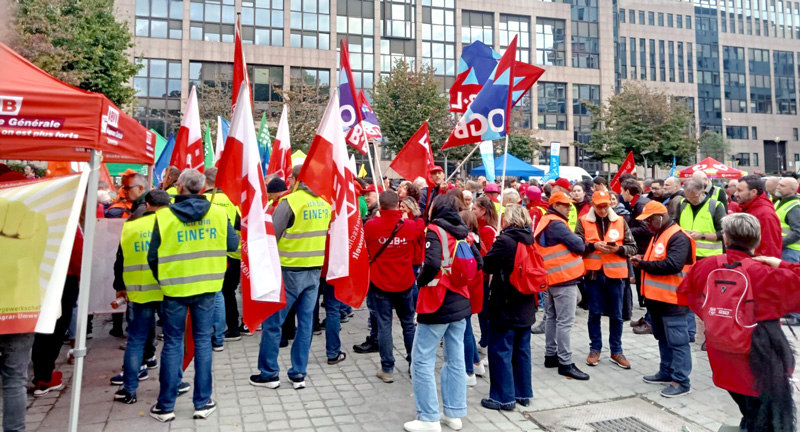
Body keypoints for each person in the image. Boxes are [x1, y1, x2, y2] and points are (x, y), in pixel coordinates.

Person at [678, 213, 800, 431]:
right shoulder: (765, 273)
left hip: (721, 355)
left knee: (747, 407)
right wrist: (781, 263)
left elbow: (686, 296)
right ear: (757, 241)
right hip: (760, 359)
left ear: (725, 239)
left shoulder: (704, 266)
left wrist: (718, 317)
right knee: (763, 416)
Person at [147, 169, 239, 422]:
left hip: (175, 289)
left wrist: (164, 278)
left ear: (180, 187)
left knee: (173, 343)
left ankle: (166, 406)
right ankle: (202, 402)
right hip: (208, 287)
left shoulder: (163, 217)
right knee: (202, 342)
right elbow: (232, 245)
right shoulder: (219, 213)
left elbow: (152, 256)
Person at [405, 194, 482, 432]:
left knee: (421, 360)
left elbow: (430, 263)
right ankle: (454, 414)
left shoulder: (434, 230)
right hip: (461, 301)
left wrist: (420, 281)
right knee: (455, 358)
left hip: (436, 301)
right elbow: (479, 262)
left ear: (435, 209)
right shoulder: (464, 231)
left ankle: (428, 417)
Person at [250, 166, 331, 391]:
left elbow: (270, 235)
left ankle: (269, 374)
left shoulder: (290, 202)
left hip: (287, 271)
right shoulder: (324, 204)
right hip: (313, 272)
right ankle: (298, 374)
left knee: (273, 323)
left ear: (296, 180)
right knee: (305, 325)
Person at [112, 190, 188, 404]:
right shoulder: (174, 224)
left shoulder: (130, 227)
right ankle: (175, 383)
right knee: (173, 340)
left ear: (146, 204)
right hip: (168, 290)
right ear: (169, 203)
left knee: (135, 340)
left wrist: (119, 286)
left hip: (139, 290)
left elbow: (120, 259)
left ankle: (129, 390)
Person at [631, 201, 695, 398]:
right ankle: (666, 372)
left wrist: (643, 264)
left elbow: (672, 265)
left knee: (678, 342)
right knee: (663, 339)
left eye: (650, 221)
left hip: (673, 301)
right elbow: (658, 261)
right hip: (657, 300)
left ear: (660, 217)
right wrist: (644, 260)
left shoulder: (678, 237)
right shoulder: (658, 234)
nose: (647, 225)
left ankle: (681, 381)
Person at [365, 190, 424, 383]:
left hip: (380, 283)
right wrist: (406, 216)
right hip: (405, 282)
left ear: (380, 206)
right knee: (408, 324)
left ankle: (387, 368)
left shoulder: (371, 225)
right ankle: (413, 364)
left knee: (384, 325)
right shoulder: (408, 225)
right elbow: (422, 223)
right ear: (398, 205)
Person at [481, 204, 536, 411]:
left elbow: (488, 265)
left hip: (505, 301)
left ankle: (503, 398)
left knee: (501, 350)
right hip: (526, 302)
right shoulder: (530, 238)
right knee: (522, 350)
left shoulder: (505, 240)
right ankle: (523, 393)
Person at [576, 191, 636, 369]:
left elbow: (633, 247)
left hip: (616, 275)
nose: (603, 210)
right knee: (594, 313)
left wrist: (618, 250)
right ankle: (595, 348)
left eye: (606, 206)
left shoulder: (620, 220)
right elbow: (577, 245)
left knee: (616, 315)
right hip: (594, 274)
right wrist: (593, 246)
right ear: (593, 205)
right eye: (600, 206)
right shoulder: (583, 221)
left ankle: (616, 350)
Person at [535, 191, 589, 380]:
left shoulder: (546, 221)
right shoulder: (557, 223)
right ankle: (565, 362)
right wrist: (582, 241)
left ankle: (551, 356)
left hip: (552, 279)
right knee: (564, 322)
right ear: (556, 206)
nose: (569, 208)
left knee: (551, 317)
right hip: (563, 278)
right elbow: (579, 245)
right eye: (566, 205)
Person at [30, 228, 83, 397]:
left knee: (43, 326)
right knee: (57, 327)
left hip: (40, 275)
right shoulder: (67, 220)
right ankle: (45, 376)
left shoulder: (36, 217)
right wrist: (80, 275)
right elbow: (77, 251)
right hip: (64, 277)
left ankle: (42, 375)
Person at [675, 178, 725, 343]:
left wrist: (701, 236)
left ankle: (710, 334)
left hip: (710, 259)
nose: (691, 200)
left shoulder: (716, 206)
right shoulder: (682, 204)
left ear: (703, 192)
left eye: (694, 198)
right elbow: (675, 226)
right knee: (689, 295)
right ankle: (690, 333)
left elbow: (723, 234)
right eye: (688, 197)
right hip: (688, 257)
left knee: (708, 298)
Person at [202, 167, 243, 345]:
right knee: (228, 293)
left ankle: (213, 329)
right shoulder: (234, 200)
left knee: (213, 293)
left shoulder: (203, 200)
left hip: (210, 254)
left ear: (205, 181)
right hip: (234, 253)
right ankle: (232, 327)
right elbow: (241, 225)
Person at [459, 209, 485, 387]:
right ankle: (476, 364)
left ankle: (469, 371)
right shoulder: (475, 239)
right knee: (466, 328)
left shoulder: (466, 241)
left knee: (466, 330)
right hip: (475, 288)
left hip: (467, 288)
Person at [621, 178, 652, 313]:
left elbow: (646, 229)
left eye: (622, 191)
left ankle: (643, 302)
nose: (621, 194)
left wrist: (626, 231)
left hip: (644, 246)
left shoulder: (640, 205)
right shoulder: (638, 203)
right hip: (643, 246)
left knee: (641, 275)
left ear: (628, 191)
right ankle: (642, 301)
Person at [473, 196, 499, 347]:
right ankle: (486, 340)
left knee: (485, 313)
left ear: (483, 211)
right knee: (482, 312)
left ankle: (487, 342)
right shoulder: (482, 228)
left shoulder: (486, 230)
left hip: (485, 279)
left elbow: (487, 256)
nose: (472, 211)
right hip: (483, 277)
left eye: (475, 208)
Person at [736, 174, 782, 258]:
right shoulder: (747, 207)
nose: (736, 194)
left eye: (740, 190)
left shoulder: (765, 214)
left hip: (757, 266)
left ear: (753, 192)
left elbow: (770, 248)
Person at [773, 177, 800, 263]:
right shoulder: (780, 201)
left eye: (782, 186)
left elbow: (798, 231)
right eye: (778, 184)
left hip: (790, 250)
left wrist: (779, 243)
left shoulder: (795, 206)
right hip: (783, 249)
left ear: (792, 190)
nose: (778, 187)